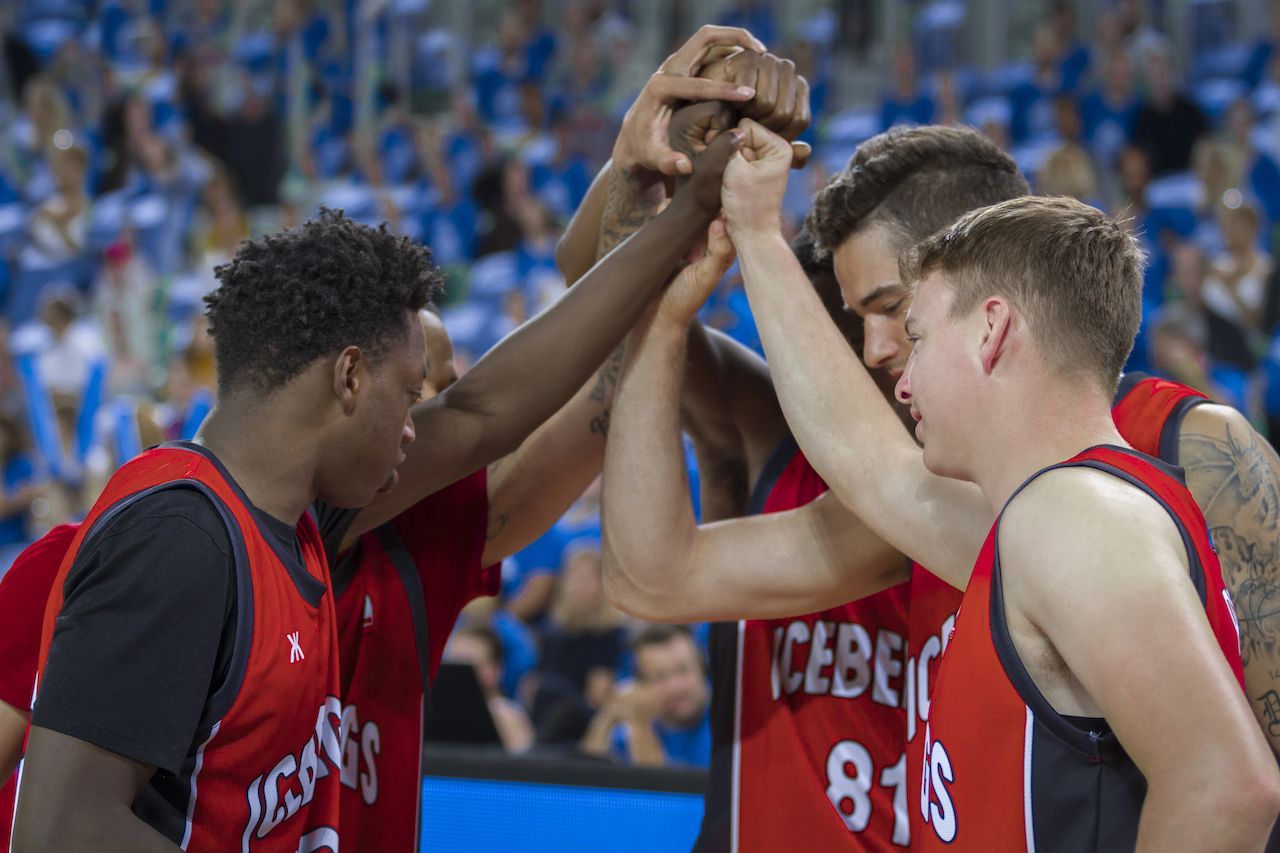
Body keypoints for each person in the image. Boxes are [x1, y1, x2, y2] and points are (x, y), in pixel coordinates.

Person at [603, 121, 1280, 849]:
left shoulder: (1084, 505)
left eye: (909, 324)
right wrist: (753, 235)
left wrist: (755, 231)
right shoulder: (1023, 515)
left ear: (990, 326)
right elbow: (875, 472)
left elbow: (1227, 787)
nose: (891, 364)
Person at [583, 624, 712, 768]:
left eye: (683, 670)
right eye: (660, 677)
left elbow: (672, 788)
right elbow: (584, 776)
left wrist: (641, 729)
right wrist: (608, 716)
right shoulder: (628, 732)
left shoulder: (729, 727)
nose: (675, 687)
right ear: (641, 684)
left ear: (702, 669)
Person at [444, 625, 534, 753]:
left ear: (495, 670)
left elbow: (522, 767)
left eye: (469, 666)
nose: (458, 673)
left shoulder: (506, 716)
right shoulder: (439, 713)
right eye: (453, 663)